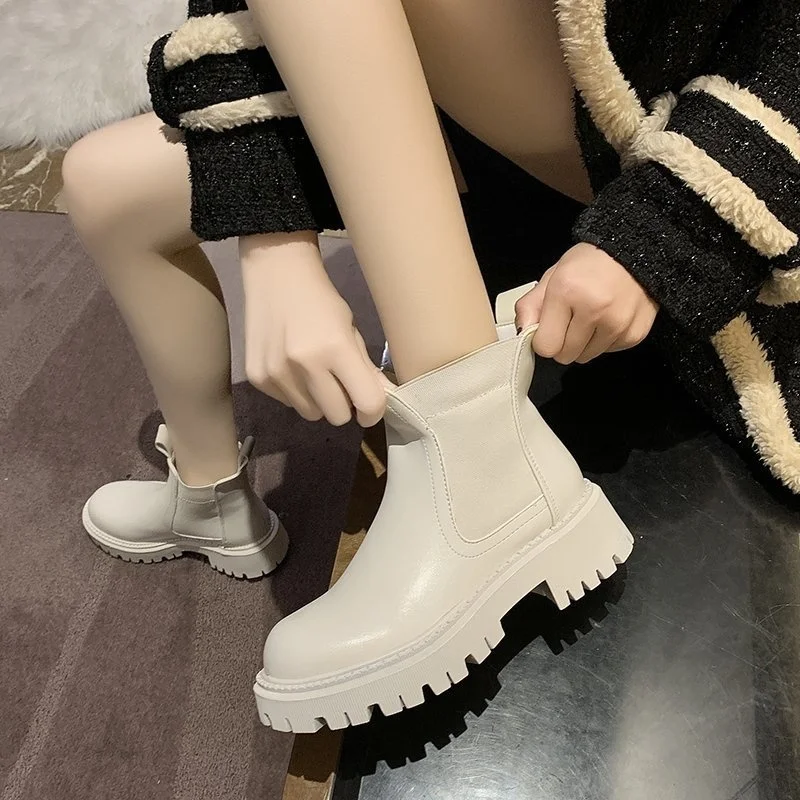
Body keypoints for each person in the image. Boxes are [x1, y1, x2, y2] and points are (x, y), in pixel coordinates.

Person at [62, 0, 799, 730]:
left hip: (685, 118)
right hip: (471, 110)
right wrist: (273, 240)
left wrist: (666, 227)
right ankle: (210, 500)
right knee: (102, 183)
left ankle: (476, 450)